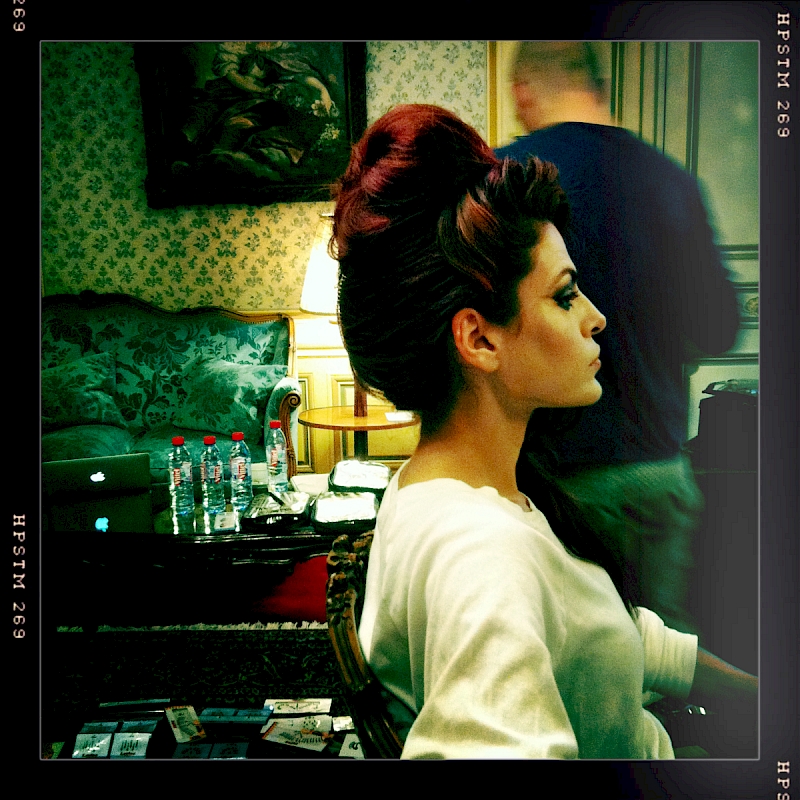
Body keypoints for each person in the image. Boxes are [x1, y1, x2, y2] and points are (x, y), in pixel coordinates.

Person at [332, 103, 756, 759]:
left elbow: (599, 631)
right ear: (478, 339)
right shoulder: (484, 555)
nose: (595, 318)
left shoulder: (446, 487)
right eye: (564, 295)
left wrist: (757, 691)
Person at [495, 42, 741, 635]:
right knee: (663, 655)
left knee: (567, 651)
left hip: (555, 478)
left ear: (523, 93)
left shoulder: (507, 178)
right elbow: (720, 326)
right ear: (597, 87)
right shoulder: (672, 181)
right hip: (657, 469)